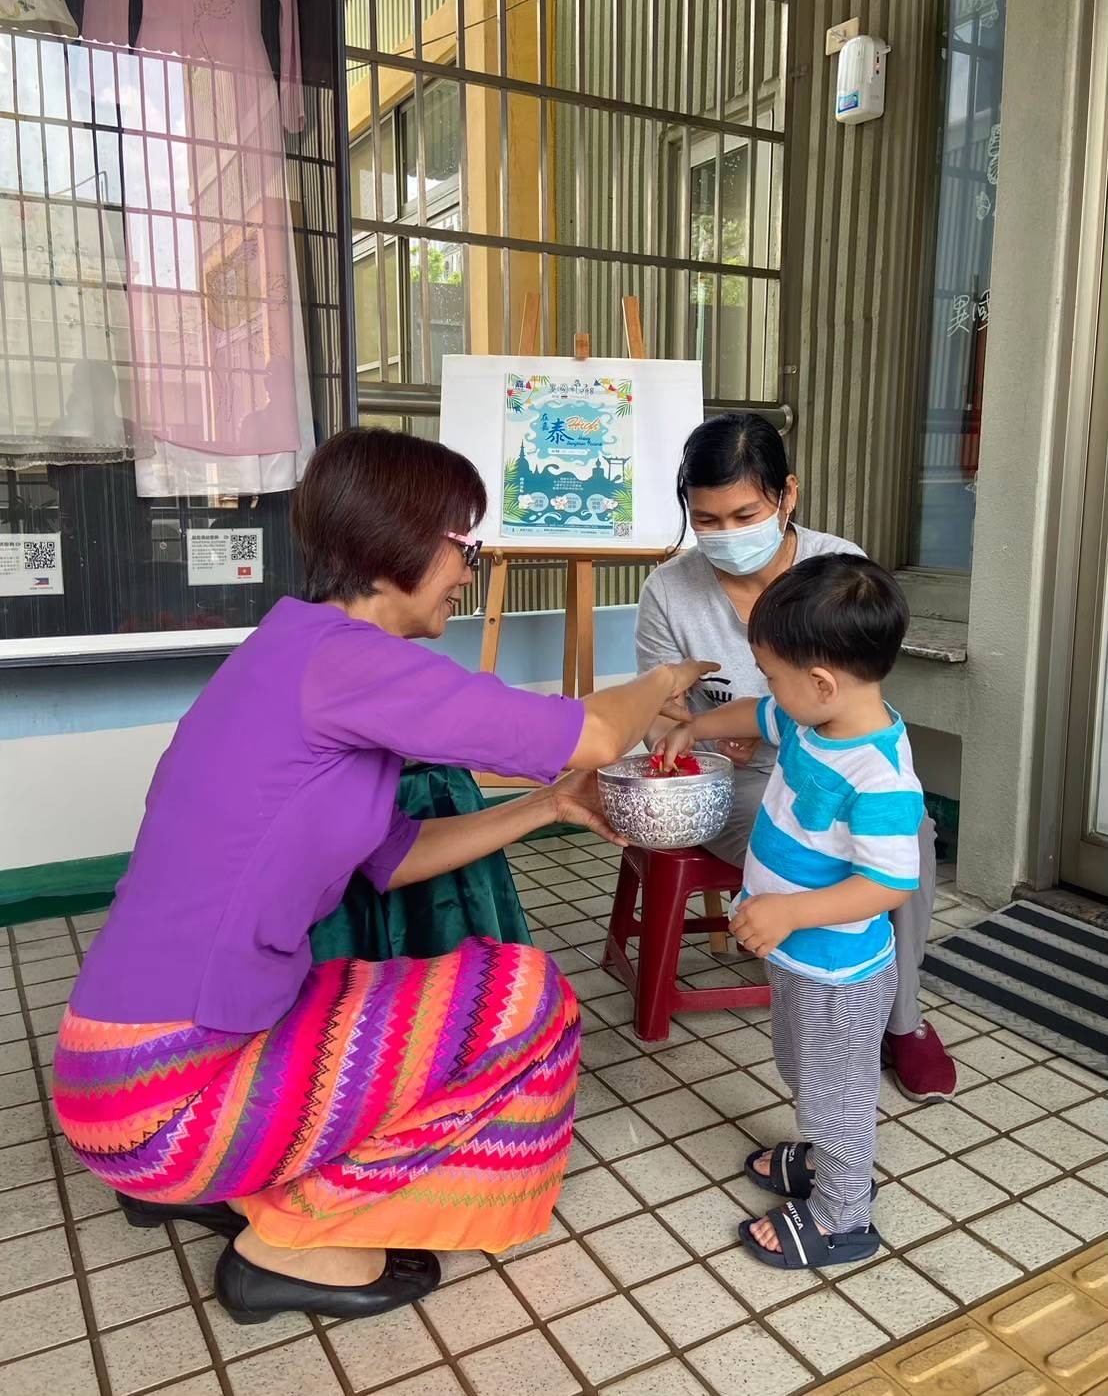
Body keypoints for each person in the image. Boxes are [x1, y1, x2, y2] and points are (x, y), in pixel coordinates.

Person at [53, 428, 716, 1326]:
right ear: (398, 540)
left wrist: (548, 806)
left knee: (404, 983)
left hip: (127, 1068)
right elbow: (594, 732)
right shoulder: (346, 660)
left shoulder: (296, 653)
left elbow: (395, 856)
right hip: (159, 1092)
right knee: (525, 998)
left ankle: (198, 1181)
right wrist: (668, 675)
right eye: (463, 544)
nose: (468, 570)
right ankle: (291, 1241)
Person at [636, 413, 956, 1102]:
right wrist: (706, 733)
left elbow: (856, 699)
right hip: (738, 779)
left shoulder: (837, 566)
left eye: (744, 513)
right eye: (706, 518)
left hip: (826, 764)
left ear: (788, 494)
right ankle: (821, 989)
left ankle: (900, 1018)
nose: (724, 533)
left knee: (912, 837)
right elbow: (663, 710)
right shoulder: (670, 588)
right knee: (812, 834)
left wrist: (783, 730)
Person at [656, 554, 922, 1269]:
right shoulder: (814, 719)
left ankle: (842, 1214)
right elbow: (757, 713)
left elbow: (890, 883)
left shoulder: (880, 774)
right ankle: (821, 1152)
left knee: (836, 1092)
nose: (768, 687)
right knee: (801, 1068)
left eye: (773, 673)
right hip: (800, 959)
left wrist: (791, 912)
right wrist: (698, 727)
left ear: (823, 681)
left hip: (839, 974)